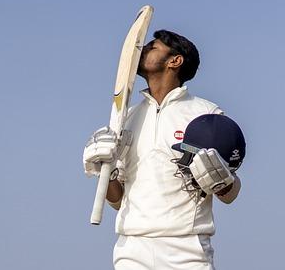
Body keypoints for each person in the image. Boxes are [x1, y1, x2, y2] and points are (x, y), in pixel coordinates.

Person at [83, 30, 242, 270]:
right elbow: (117, 200)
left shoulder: (206, 114)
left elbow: (230, 193)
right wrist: (103, 171)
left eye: (152, 47)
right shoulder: (126, 118)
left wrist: (222, 181)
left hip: (187, 249)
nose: (141, 50)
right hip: (132, 247)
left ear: (175, 61)